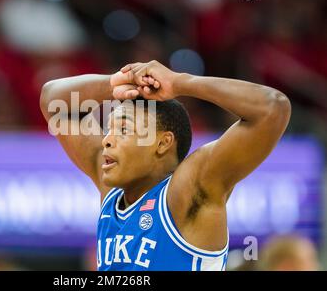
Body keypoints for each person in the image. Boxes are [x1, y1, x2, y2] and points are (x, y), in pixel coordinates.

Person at [40, 60, 291, 271]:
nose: (106, 139)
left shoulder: (189, 190)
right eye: (109, 129)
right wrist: (114, 84)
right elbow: (51, 99)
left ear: (163, 143)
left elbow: (273, 108)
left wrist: (180, 82)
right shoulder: (113, 194)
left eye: (124, 129)